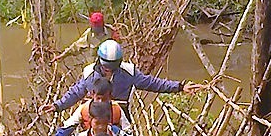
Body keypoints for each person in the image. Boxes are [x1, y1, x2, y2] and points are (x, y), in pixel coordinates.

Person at [39, 39, 204, 120]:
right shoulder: (90, 73)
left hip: (120, 116)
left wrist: (180, 87)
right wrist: (57, 105)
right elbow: (76, 92)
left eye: (113, 66)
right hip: (96, 116)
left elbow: (153, 83)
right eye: (106, 66)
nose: (109, 70)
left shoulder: (128, 72)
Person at [42, 77, 132, 136]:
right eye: (98, 98)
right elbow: (68, 127)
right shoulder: (85, 109)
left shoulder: (116, 109)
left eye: (104, 99)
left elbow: (127, 132)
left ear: (110, 96)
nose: (100, 102)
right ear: (92, 94)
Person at [52, 12, 119, 63]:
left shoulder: (111, 32)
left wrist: (117, 39)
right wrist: (62, 55)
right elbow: (76, 46)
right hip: (95, 67)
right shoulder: (89, 34)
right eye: (94, 27)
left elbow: (120, 45)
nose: (95, 30)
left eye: (98, 27)